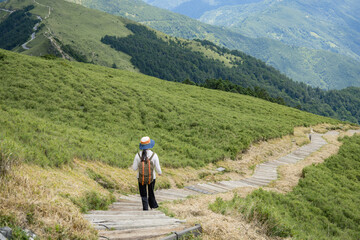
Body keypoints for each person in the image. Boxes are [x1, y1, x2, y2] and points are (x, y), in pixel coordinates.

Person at [132, 136, 162, 210]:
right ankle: (153, 207)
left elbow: (134, 168)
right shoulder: (154, 155)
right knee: (151, 192)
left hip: (140, 177)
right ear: (149, 145)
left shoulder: (138, 155)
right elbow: (157, 167)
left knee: (143, 194)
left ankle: (145, 208)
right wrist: (159, 172)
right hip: (152, 177)